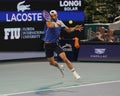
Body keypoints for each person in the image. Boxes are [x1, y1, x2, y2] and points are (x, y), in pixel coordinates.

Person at [42, 10, 83, 79]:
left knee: (65, 58)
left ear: (57, 15)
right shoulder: (48, 21)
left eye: (54, 15)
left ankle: (75, 73)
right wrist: (58, 25)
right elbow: (50, 26)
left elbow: (68, 30)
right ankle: (59, 66)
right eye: (52, 16)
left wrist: (74, 28)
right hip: (47, 45)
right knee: (51, 63)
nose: (53, 17)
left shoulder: (60, 22)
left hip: (55, 44)